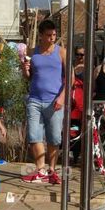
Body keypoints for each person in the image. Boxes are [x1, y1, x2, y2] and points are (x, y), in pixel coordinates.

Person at [21, 19, 67, 185]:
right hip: (35, 98)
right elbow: (29, 77)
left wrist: (62, 97)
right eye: (48, 35)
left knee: (54, 138)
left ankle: (52, 170)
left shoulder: (61, 52)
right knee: (34, 135)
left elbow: (71, 77)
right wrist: (24, 69)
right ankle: (41, 170)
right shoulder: (33, 52)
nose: (52, 38)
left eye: (54, 35)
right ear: (40, 35)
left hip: (55, 100)